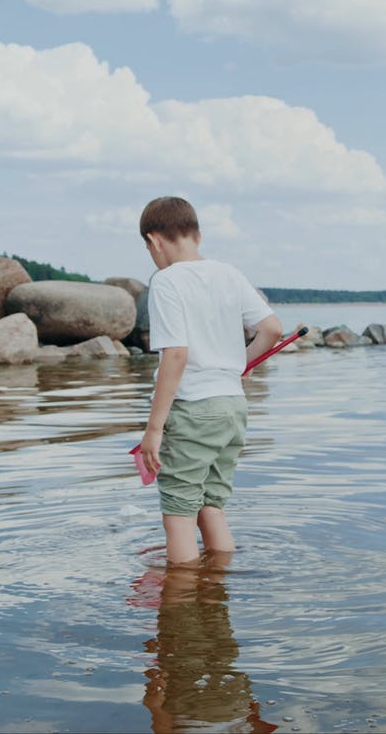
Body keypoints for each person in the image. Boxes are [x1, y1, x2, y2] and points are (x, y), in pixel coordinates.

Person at [139, 196, 282, 565]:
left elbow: (176, 354)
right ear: (197, 236)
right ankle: (218, 585)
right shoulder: (229, 274)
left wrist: (154, 429)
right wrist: (239, 365)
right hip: (232, 408)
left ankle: (184, 603)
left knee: (179, 511)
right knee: (211, 505)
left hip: (194, 409)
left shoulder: (167, 281)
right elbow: (271, 329)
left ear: (155, 241)